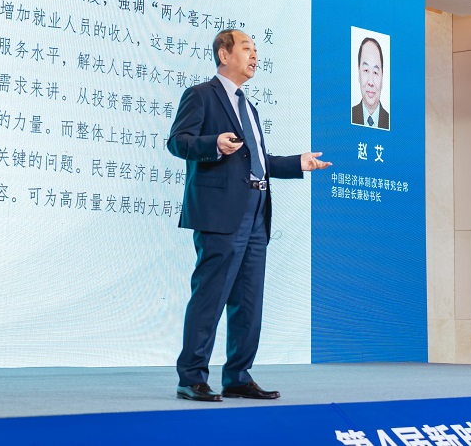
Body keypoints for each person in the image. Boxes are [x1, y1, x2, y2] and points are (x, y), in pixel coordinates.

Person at [167, 29, 330, 402]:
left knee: (249, 301)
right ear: (224, 55)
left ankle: (238, 376)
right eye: (246, 48)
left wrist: (297, 163)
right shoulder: (201, 95)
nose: (254, 55)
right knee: (210, 297)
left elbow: (258, 161)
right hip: (220, 213)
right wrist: (213, 144)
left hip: (256, 211)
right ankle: (191, 377)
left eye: (256, 49)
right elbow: (178, 141)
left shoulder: (249, 107)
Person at [351, 37, 389, 129]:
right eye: (366, 70)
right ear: (359, 73)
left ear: (382, 77)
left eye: (375, 72)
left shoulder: (392, 121)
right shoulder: (348, 115)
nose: (370, 82)